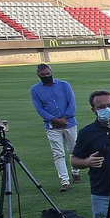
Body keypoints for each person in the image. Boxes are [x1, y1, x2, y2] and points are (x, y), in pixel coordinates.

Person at [30, 64, 80, 192]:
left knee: (73, 148)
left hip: (69, 123)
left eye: (48, 74)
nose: (47, 76)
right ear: (38, 75)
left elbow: (71, 102)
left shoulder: (64, 85)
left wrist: (64, 119)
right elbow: (39, 108)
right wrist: (54, 120)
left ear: (51, 72)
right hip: (52, 126)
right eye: (43, 75)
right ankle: (64, 181)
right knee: (58, 153)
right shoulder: (35, 90)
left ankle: (75, 171)